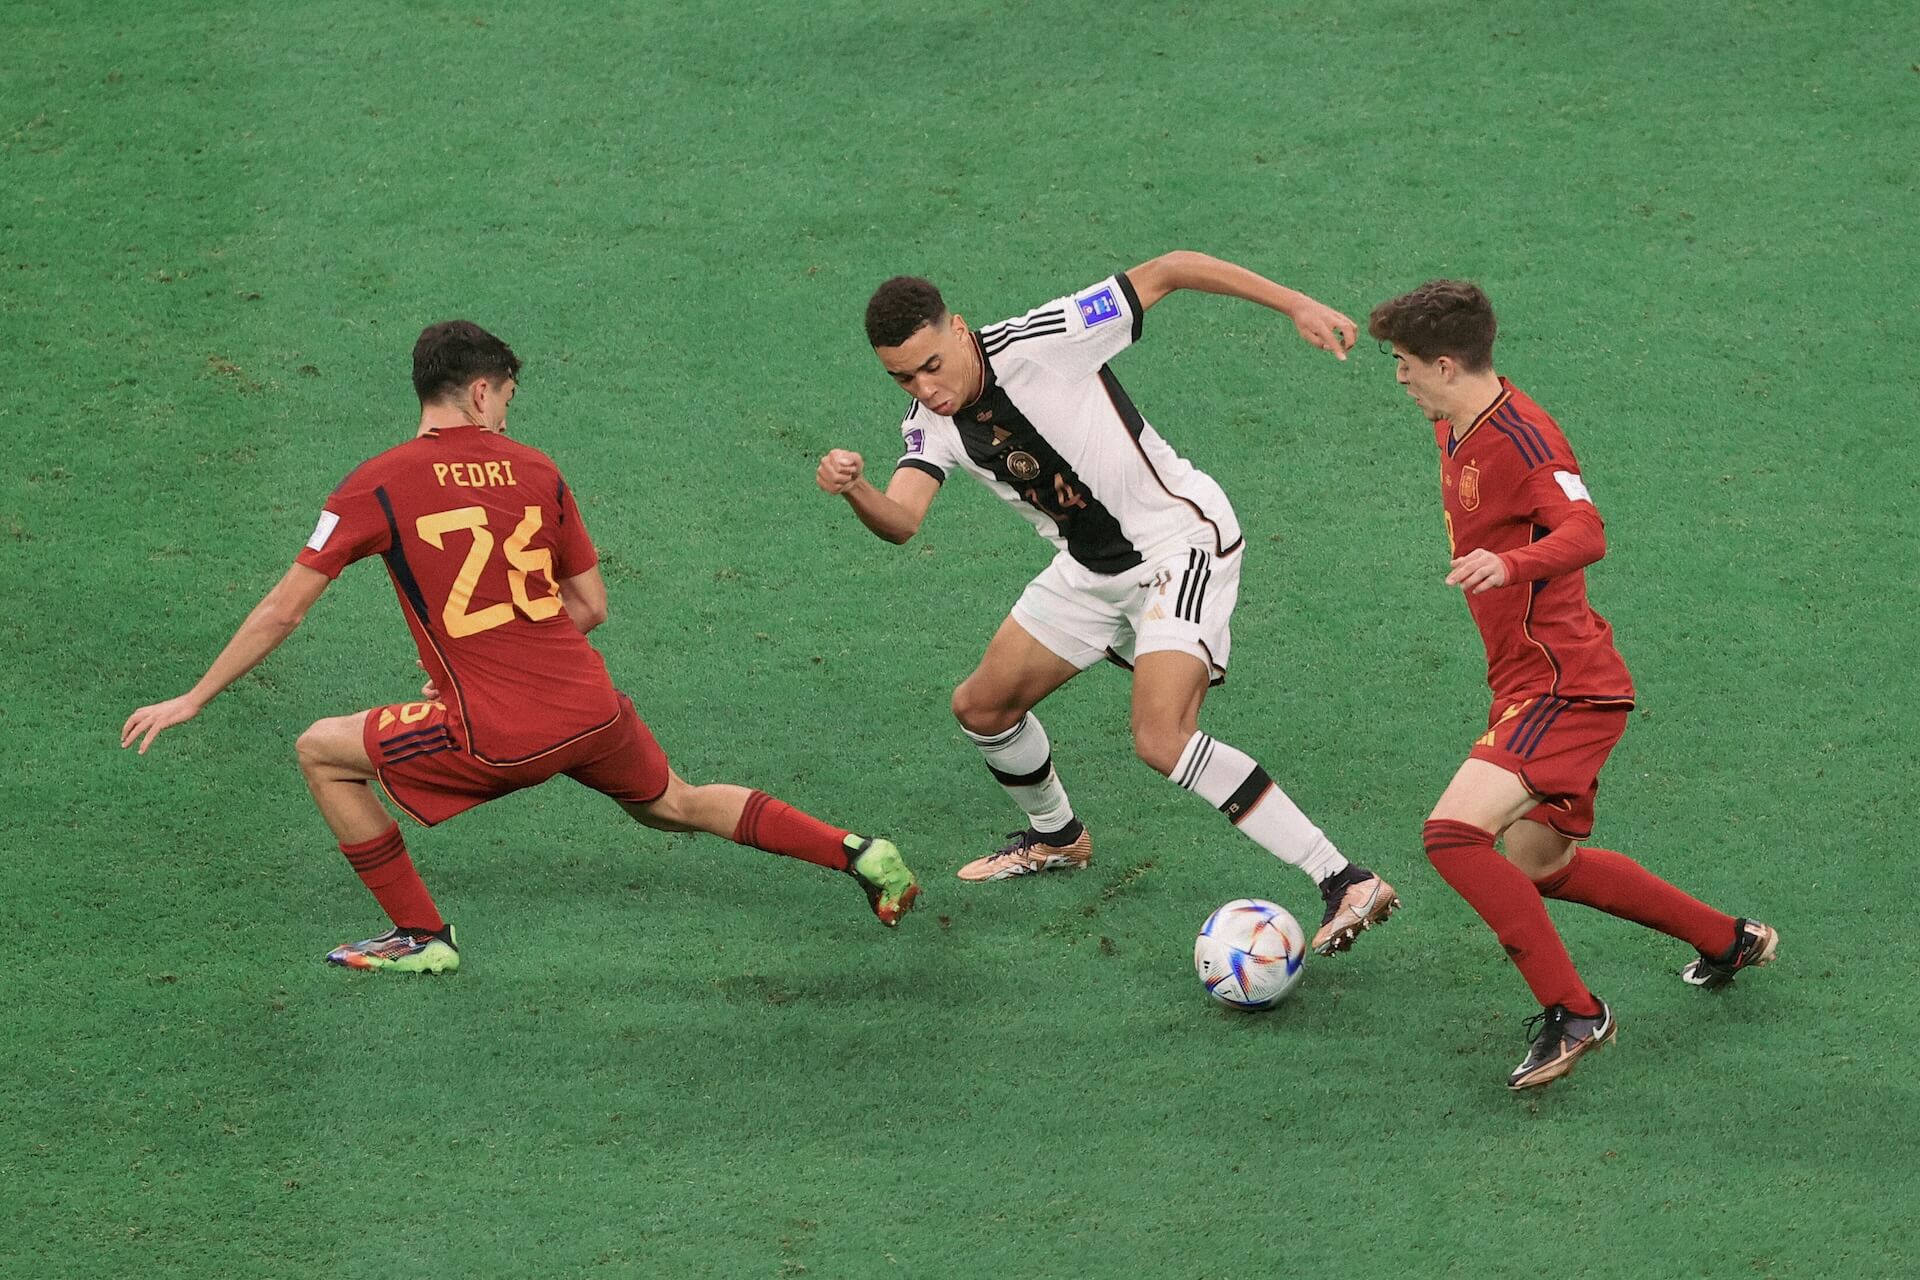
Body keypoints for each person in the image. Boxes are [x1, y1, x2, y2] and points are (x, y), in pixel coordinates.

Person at [123, 320, 920, 973]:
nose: (506, 414)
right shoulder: (537, 469)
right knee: (676, 801)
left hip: (499, 731)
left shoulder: (375, 483)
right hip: (592, 706)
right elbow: (590, 606)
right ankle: (857, 852)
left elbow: (283, 611)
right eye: (505, 397)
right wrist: (516, 650)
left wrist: (194, 696)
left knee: (320, 751)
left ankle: (421, 937)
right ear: (478, 391)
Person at [816, 253, 1397, 957]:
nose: (925, 388)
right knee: (982, 707)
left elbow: (1174, 268)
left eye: (932, 365)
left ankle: (1344, 878)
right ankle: (1059, 837)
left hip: (1178, 544)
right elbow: (903, 520)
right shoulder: (930, 424)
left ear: (958, 329)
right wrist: (857, 490)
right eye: (903, 377)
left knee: (1160, 736)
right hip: (1091, 571)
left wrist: (1294, 302)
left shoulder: (1048, 337)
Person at [1368, 280, 1778, 1089]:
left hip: (1564, 686)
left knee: (1452, 836)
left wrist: (1510, 562)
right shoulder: (1456, 424)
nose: (1400, 378)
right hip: (1531, 680)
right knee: (1541, 862)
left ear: (1446, 365)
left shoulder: (1525, 439)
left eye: (1405, 364)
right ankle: (1731, 939)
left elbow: (1588, 531)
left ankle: (1575, 1011)